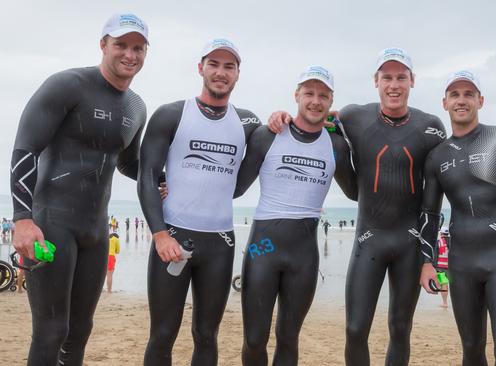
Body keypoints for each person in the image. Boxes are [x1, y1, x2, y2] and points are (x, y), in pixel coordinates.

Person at [268, 47, 446, 365]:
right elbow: (315, 119)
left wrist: (428, 258)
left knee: (400, 329)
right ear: (376, 81)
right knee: (354, 329)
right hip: (369, 239)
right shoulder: (353, 116)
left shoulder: (430, 126)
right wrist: (281, 116)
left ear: (412, 81)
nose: (394, 84)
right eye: (387, 77)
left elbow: (433, 201)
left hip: (409, 243)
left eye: (401, 77)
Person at [9, 13, 149, 366]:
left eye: (138, 47)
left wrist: (164, 181)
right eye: (120, 45)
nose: (129, 54)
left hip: (96, 230)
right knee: (51, 329)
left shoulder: (137, 107)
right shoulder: (67, 85)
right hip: (51, 223)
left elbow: (128, 163)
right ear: (103, 45)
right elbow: (26, 149)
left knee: (81, 329)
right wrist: (22, 219)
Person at [137, 38, 261, 366]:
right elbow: (146, 177)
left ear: (237, 74)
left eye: (229, 66)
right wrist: (160, 234)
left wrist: (283, 120)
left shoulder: (248, 123)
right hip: (172, 238)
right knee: (162, 334)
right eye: (214, 64)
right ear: (200, 68)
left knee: (207, 335)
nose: (221, 72)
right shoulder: (171, 114)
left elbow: (238, 186)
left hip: (220, 243)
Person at [234, 65, 357, 366]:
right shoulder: (268, 135)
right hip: (262, 248)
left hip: (303, 255)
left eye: (323, 95)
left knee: (289, 338)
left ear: (331, 102)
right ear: (297, 95)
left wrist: (345, 131)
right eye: (309, 93)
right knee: (254, 338)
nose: (315, 101)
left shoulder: (336, 146)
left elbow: (356, 192)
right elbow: (234, 188)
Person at [418, 70, 496, 365]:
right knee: (471, 350)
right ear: (444, 103)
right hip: (462, 264)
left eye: (468, 94)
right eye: (454, 95)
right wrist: (426, 261)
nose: (461, 100)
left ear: (480, 100)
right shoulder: (437, 156)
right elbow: (430, 214)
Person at [436, 226, 450, 308]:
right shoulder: (452, 242)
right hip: (451, 267)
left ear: (441, 233)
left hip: (440, 267)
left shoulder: (439, 242)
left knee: (443, 284)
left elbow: (435, 255)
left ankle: (445, 303)